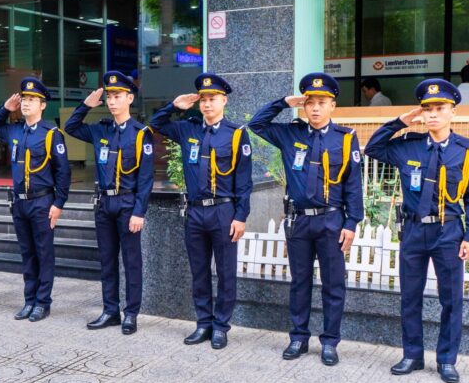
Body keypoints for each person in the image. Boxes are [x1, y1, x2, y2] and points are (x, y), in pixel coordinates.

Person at [364, 78, 469, 383]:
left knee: (451, 300)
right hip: (414, 231)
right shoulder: (409, 145)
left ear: (453, 112)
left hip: (449, 232)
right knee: (410, 296)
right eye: (427, 109)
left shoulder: (468, 151)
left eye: (440, 108)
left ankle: (446, 360)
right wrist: (400, 122)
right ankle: (412, 355)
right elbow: (373, 148)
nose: (433, 114)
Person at [248, 73, 364, 366]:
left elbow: (353, 183)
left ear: (332, 106)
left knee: (333, 284)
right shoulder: (290, 134)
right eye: (309, 102)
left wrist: (352, 223)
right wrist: (284, 102)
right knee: (299, 282)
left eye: (322, 103)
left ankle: (330, 342)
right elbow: (256, 124)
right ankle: (298, 337)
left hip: (331, 221)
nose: (315, 108)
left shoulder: (345, 138)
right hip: (299, 221)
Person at [150, 73, 252, 349]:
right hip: (195, 212)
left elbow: (244, 181)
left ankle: (221, 326)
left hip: (224, 211)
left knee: (226, 273)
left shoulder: (236, 134)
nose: (207, 104)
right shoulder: (187, 129)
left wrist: (241, 216)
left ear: (224, 101)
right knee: (199, 272)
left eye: (212, 99)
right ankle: (203, 323)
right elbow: (156, 124)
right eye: (203, 99)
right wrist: (174, 106)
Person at [65, 71, 154, 335]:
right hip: (104, 204)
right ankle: (110, 311)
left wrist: (139, 211)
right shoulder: (100, 129)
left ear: (130, 98)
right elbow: (70, 127)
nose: (112, 101)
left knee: (132, 262)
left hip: (127, 204)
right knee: (107, 261)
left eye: (117, 96)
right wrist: (85, 106)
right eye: (109, 97)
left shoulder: (140, 134)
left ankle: (131, 314)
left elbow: (146, 178)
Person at [0, 77, 71, 322]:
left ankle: (42, 302)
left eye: (32, 100)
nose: (26, 103)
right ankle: (29, 300)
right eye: (24, 99)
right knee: (27, 253)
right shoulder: (15, 130)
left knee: (43, 253)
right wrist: (6, 108)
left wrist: (59, 203)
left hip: (42, 201)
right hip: (20, 202)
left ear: (43, 105)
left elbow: (63, 171)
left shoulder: (51, 134)